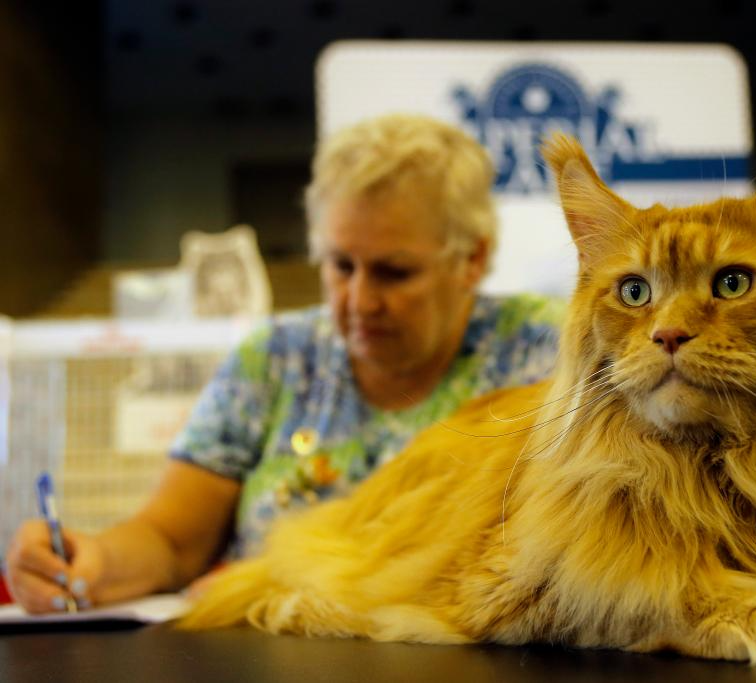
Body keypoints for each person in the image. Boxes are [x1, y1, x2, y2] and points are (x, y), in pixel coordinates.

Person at [3, 114, 563, 613]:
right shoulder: (273, 360)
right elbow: (172, 541)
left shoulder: (549, 354)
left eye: (395, 272)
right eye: (340, 265)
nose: (360, 300)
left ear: (473, 258)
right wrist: (93, 560)